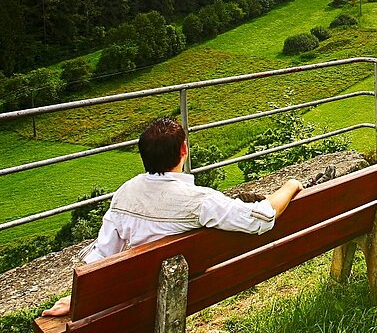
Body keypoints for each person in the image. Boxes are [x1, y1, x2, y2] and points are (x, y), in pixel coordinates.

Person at [41, 117, 303, 317]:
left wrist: (78, 300)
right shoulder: (199, 200)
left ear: (142, 155)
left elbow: (103, 254)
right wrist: (290, 184)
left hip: (137, 300)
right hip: (190, 291)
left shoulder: (124, 193)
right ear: (184, 150)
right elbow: (262, 218)